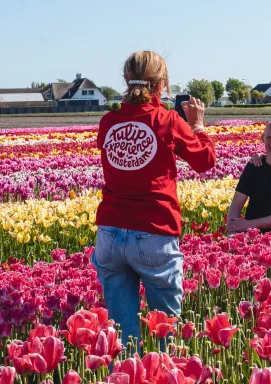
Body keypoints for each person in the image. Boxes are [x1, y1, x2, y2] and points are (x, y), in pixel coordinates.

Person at [92, 51, 216, 345]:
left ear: (125, 80)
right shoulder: (168, 120)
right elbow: (205, 161)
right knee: (166, 333)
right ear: (162, 84)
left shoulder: (108, 122)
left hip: (109, 231)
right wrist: (198, 125)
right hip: (153, 230)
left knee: (122, 335)